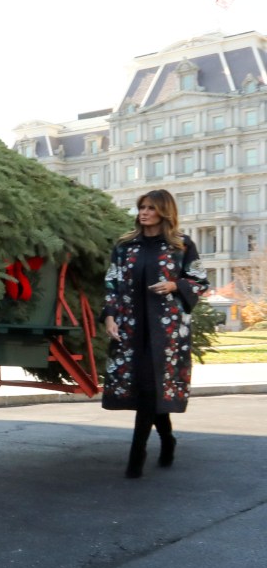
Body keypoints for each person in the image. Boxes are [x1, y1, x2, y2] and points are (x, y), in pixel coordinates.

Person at [101, 189, 209, 478]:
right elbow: (112, 282)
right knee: (149, 388)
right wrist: (110, 316)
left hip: (167, 332)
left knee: (150, 386)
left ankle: (136, 456)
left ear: (164, 211)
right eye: (141, 207)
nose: (143, 212)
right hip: (131, 329)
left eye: (150, 208)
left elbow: (199, 281)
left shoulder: (182, 246)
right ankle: (167, 439)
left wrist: (175, 286)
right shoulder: (125, 246)